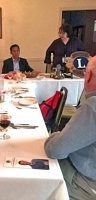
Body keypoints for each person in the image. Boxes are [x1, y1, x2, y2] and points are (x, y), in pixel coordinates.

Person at [44, 56, 96, 200]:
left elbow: (54, 150)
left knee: (37, 178)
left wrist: (54, 136)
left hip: (86, 182)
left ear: (89, 76)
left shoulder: (92, 107)